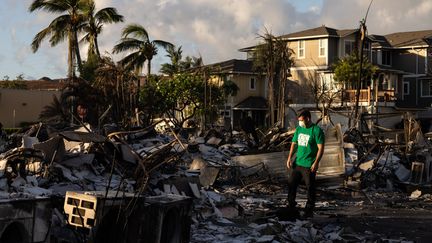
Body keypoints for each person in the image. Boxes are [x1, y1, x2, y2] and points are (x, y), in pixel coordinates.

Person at [286, 110, 325, 218]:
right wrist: (289, 158)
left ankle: (309, 208)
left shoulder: (316, 131)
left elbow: (320, 148)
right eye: (299, 121)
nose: (300, 123)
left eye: (301, 120)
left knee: (310, 187)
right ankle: (291, 204)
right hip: (298, 163)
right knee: (291, 183)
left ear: (308, 118)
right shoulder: (299, 129)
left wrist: (316, 163)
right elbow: (294, 144)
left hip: (309, 164)